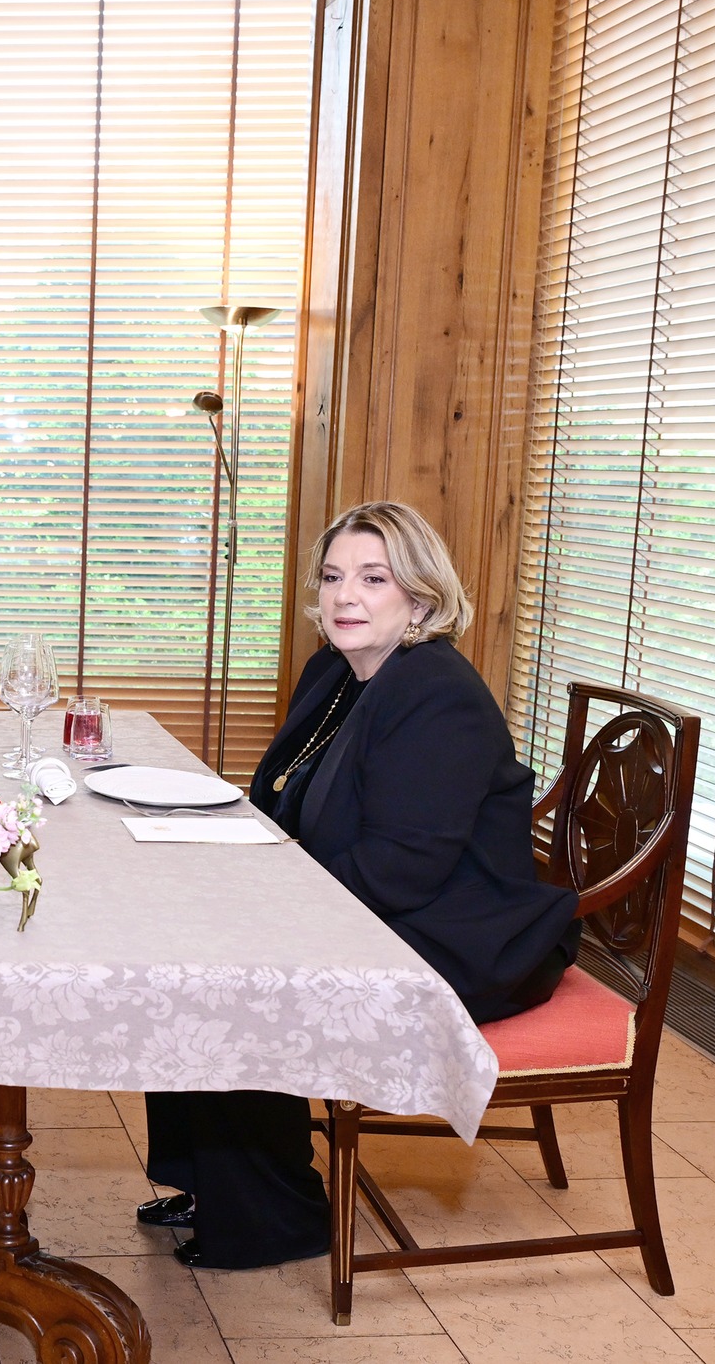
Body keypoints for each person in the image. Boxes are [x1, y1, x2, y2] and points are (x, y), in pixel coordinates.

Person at [140, 499, 580, 1269]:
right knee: (184, 942)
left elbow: (402, 867)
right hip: (374, 904)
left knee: (233, 979)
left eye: (374, 578)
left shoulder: (437, 693)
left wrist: (263, 902)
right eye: (334, 575)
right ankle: (216, 1181)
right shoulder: (335, 672)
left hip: (458, 933)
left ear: (421, 597)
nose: (346, 595)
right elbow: (279, 799)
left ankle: (278, 1215)